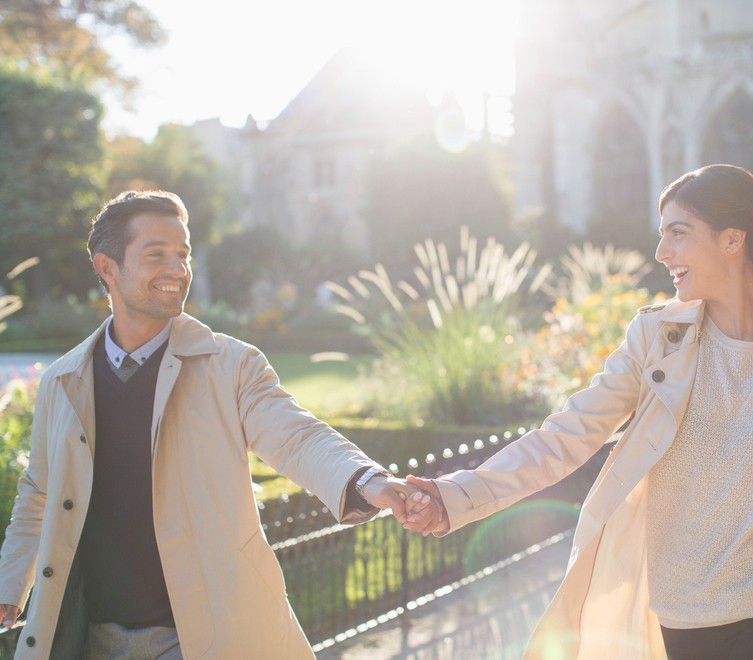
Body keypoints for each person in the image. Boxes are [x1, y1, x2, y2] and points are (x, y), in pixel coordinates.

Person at [406, 165, 753, 660]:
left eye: (677, 235)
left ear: (732, 239)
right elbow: (565, 436)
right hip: (685, 613)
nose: (663, 253)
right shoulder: (654, 341)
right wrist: (457, 494)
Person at [0, 190, 438, 658]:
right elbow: (38, 493)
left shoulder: (232, 365)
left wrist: (368, 480)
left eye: (183, 255)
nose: (177, 270)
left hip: (198, 638)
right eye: (156, 255)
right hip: (90, 638)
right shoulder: (62, 381)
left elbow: (297, 435)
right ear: (107, 268)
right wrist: (10, 585)